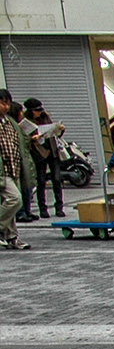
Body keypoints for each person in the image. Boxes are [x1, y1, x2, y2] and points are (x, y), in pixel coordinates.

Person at [20, 99, 65, 219]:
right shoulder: (27, 123)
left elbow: (54, 133)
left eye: (40, 110)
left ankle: (59, 207)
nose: (39, 112)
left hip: (52, 150)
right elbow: (25, 139)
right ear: (30, 111)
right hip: (39, 153)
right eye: (36, 111)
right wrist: (33, 138)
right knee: (41, 180)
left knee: (56, 179)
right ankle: (43, 208)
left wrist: (59, 129)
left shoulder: (46, 117)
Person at [0, 89, 25, 251]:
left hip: (13, 167)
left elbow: (21, 144)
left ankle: (11, 237)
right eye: (3, 103)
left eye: (8, 103)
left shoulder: (9, 122)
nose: (6, 106)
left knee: (10, 204)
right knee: (14, 199)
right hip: (2, 171)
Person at [8, 101, 38, 222]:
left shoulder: (18, 124)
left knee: (26, 187)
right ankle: (20, 212)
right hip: (18, 160)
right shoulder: (11, 125)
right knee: (19, 188)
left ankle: (26, 210)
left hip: (25, 159)